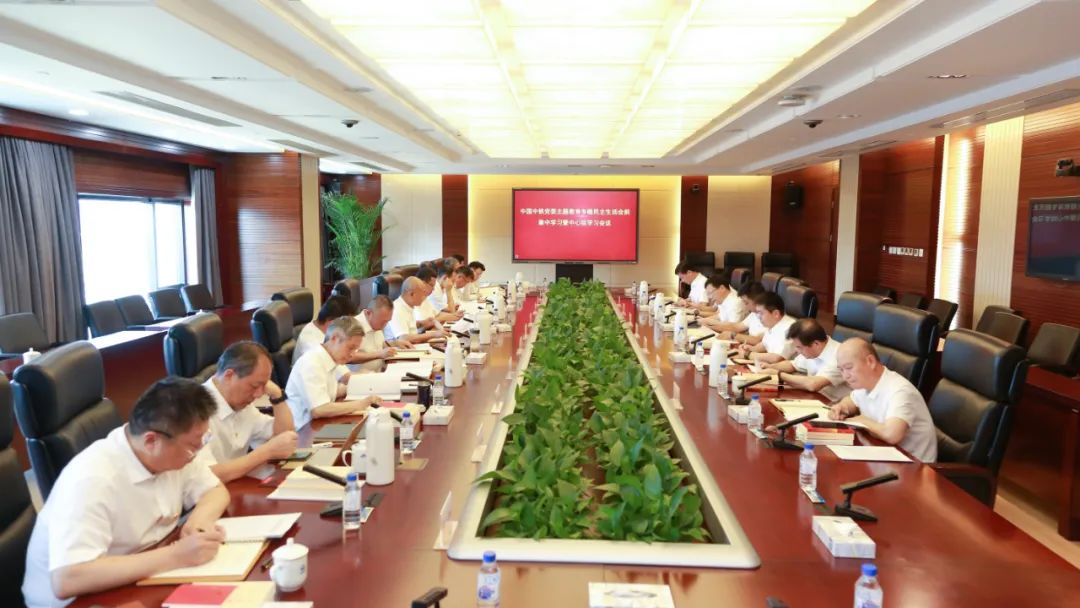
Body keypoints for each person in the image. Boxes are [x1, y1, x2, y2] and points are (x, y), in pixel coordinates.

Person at [22, 378, 230, 607]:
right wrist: (177, 556)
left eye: (203, 440)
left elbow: (215, 490)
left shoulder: (172, 449)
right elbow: (68, 579)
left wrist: (199, 523)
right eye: (193, 446)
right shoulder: (91, 479)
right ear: (151, 441)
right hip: (81, 600)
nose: (197, 452)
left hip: (140, 573)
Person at [199, 341, 299, 483]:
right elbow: (207, 475)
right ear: (229, 375)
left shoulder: (243, 405)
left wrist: (277, 396)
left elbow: (285, 436)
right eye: (254, 386)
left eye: (264, 386)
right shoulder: (194, 410)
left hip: (236, 486)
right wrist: (266, 452)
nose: (259, 394)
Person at [829, 338, 938, 462]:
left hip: (914, 465)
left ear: (870, 361)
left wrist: (862, 421)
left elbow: (892, 435)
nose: (845, 376)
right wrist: (842, 407)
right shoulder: (865, 381)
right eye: (841, 370)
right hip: (884, 454)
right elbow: (852, 400)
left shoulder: (900, 390)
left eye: (849, 368)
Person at [286, 316, 383, 429]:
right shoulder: (312, 363)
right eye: (350, 348)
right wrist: (362, 404)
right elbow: (319, 409)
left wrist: (364, 388)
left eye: (356, 349)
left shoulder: (330, 358)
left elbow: (329, 391)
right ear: (334, 338)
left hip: (318, 425)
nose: (353, 354)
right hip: (302, 431)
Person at [760, 319, 850, 401]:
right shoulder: (812, 349)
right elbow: (792, 365)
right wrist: (770, 367)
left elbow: (813, 385)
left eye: (799, 347)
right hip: (814, 397)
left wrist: (779, 375)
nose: (797, 351)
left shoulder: (839, 356)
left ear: (816, 344)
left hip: (834, 404)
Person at [292, 295, 357, 363]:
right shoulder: (313, 346)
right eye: (347, 324)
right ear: (332, 322)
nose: (349, 327)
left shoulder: (320, 329)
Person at [352, 295, 410, 372]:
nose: (385, 325)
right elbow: (350, 357)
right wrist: (379, 355)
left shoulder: (377, 323)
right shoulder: (353, 326)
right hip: (359, 376)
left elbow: (377, 345)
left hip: (378, 373)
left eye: (387, 321)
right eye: (383, 321)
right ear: (368, 313)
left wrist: (395, 343)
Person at [386, 276, 450, 344]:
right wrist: (433, 334)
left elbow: (408, 326)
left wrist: (421, 323)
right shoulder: (397, 309)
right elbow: (403, 338)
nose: (424, 296)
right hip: (403, 349)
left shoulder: (407, 306)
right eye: (422, 293)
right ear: (411, 294)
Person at [737, 292, 796, 363]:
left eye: (761, 313)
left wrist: (748, 354)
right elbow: (765, 344)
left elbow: (776, 358)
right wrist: (751, 349)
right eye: (757, 313)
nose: (758, 317)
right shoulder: (773, 324)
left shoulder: (789, 328)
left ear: (776, 314)